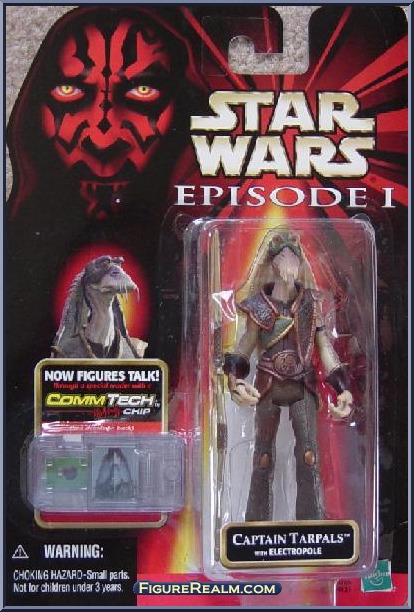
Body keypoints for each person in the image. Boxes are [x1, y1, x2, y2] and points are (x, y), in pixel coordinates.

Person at [223, 231, 353, 521]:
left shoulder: (311, 304)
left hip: (302, 383)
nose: (288, 264)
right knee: (263, 458)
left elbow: (325, 348)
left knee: (308, 457)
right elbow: (244, 346)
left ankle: (311, 523)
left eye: (293, 257)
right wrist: (233, 380)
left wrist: (342, 388)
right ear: (272, 263)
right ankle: (256, 523)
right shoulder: (258, 305)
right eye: (282, 257)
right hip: (268, 383)